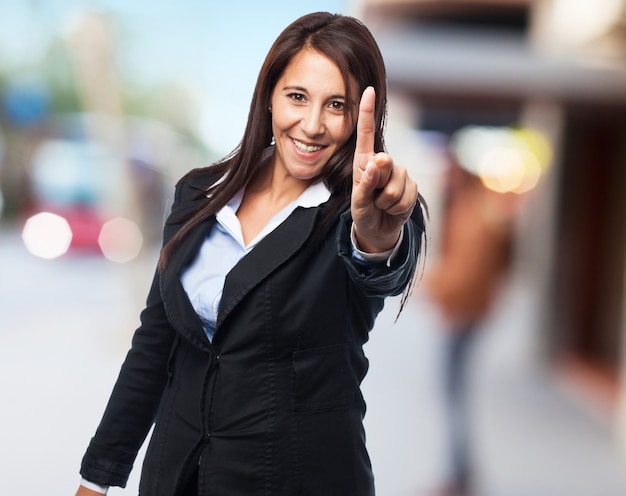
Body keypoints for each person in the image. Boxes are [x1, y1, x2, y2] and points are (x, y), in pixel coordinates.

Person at [76, 11, 426, 496]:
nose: (312, 124)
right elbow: (154, 347)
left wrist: (376, 238)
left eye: (337, 105)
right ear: (269, 97)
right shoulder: (198, 196)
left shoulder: (366, 212)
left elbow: (379, 267)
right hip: (176, 478)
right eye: (297, 97)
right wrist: (97, 477)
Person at [423, 160, 516, 496]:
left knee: (453, 396)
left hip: (461, 314)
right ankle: (459, 470)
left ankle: (458, 474)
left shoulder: (473, 215)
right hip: (468, 312)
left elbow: (465, 274)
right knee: (455, 394)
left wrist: (429, 286)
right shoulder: (477, 210)